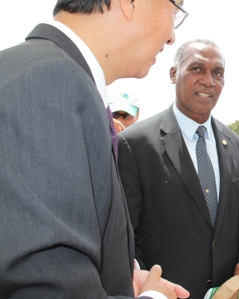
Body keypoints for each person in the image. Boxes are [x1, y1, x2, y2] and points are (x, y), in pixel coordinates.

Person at [0, 0, 190, 298]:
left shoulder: (45, 74)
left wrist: (119, 275)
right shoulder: (51, 83)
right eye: (175, 10)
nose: (171, 36)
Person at [117, 39, 239, 299]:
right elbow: (123, 232)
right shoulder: (135, 144)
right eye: (197, 69)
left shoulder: (234, 144)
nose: (209, 80)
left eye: (217, 73)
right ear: (174, 74)